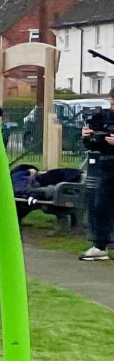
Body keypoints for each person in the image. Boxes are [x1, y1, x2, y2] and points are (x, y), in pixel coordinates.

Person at [81, 106, 114, 260]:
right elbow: (92, 145)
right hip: (107, 167)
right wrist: (87, 137)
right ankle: (100, 246)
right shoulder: (103, 118)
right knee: (100, 206)